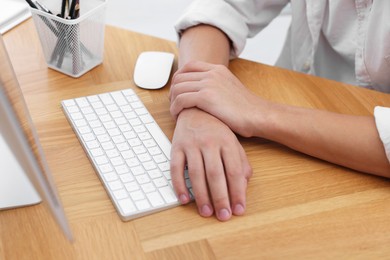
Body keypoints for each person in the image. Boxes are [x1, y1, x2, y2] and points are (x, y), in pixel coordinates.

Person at [168, 0, 390, 222]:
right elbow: (223, 6)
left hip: (366, 186)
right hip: (287, 117)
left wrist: (258, 112)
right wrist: (199, 105)